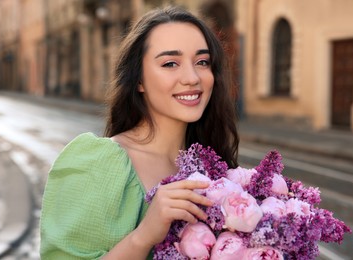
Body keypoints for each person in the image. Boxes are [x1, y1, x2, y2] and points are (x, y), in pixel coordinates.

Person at [40, 5, 239, 259]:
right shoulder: (99, 163)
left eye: (202, 62)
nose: (192, 78)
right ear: (139, 80)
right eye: (170, 63)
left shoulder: (214, 168)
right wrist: (144, 235)